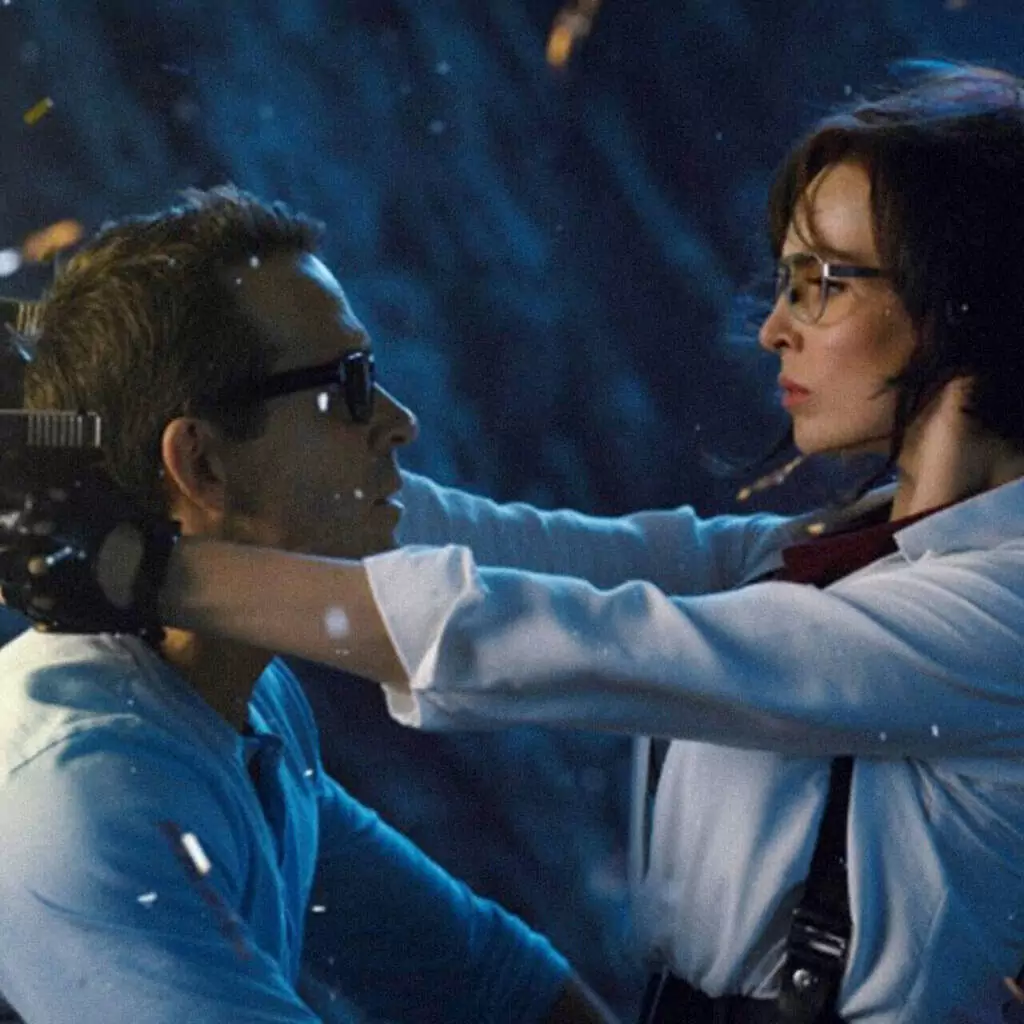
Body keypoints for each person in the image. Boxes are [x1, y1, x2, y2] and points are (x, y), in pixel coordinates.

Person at [8, 60, 1024, 1023]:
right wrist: (136, 498)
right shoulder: (833, 554)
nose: (775, 326)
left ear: (959, 306)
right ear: (199, 461)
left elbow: (550, 637)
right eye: (350, 389)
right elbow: (523, 554)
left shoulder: (996, 609)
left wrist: (138, 562)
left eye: (821, 281)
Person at [0, 188, 618, 1024]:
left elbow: (483, 976)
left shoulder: (248, 703)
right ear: (202, 466)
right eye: (349, 386)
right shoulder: (87, 797)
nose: (400, 422)